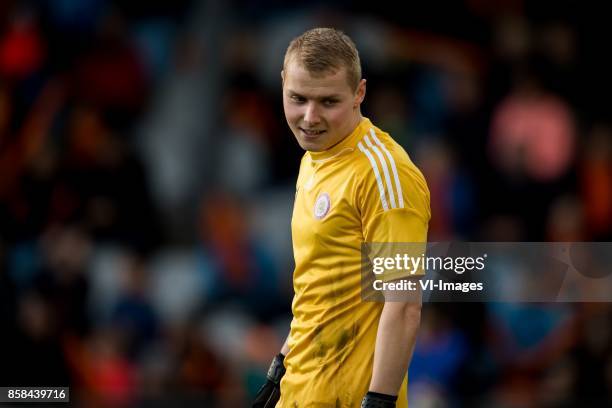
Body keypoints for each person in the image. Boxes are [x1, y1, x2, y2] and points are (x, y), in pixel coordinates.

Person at [253, 27, 430, 408]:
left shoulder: (385, 174)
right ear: (283, 83)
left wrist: (379, 400)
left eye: (328, 102)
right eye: (297, 99)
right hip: (301, 388)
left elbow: (404, 303)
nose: (310, 117)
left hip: (347, 399)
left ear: (359, 93)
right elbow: (321, 284)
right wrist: (282, 364)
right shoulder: (314, 158)